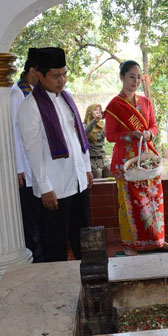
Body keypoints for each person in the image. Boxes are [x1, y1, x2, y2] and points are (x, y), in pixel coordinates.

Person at [17, 47, 93, 262]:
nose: (62, 80)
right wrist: (44, 187)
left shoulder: (66, 98)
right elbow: (33, 151)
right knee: (56, 246)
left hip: (78, 182)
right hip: (55, 188)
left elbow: (79, 138)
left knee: (84, 242)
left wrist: (86, 168)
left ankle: (87, 285)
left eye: (65, 74)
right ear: (39, 75)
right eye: (56, 76)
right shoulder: (29, 107)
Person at [104, 60, 168, 256]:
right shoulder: (114, 106)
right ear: (122, 77)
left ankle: (157, 241)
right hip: (125, 163)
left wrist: (149, 134)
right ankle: (129, 245)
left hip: (147, 160)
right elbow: (110, 135)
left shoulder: (145, 102)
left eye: (138, 77)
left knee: (153, 202)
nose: (135, 81)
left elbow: (154, 126)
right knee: (129, 204)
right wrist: (131, 135)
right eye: (131, 76)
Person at [10, 47, 44, 262]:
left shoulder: (36, 92)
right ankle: (37, 263)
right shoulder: (17, 93)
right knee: (31, 221)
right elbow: (14, 133)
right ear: (33, 71)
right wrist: (19, 168)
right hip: (26, 169)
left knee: (42, 219)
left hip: (38, 165)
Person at [83, 103, 111, 178]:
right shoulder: (84, 125)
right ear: (89, 112)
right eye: (95, 110)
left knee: (110, 182)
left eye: (100, 110)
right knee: (97, 185)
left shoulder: (102, 125)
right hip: (92, 160)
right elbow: (84, 134)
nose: (98, 112)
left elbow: (109, 135)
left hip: (103, 158)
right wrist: (94, 121)